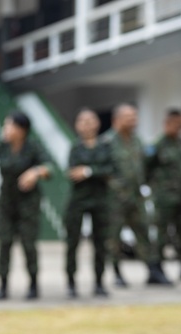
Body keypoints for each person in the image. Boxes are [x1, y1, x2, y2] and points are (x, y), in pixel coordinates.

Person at [0, 111, 52, 301]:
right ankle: (3, 285)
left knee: (28, 245)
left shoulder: (33, 147)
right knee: (4, 243)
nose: (5, 129)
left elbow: (50, 167)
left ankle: (33, 283)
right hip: (6, 203)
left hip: (28, 204)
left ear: (21, 129)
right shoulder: (2, 146)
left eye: (9, 125)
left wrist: (36, 172)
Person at [103, 103, 172, 287]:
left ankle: (153, 270)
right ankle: (117, 272)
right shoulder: (107, 143)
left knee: (144, 233)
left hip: (136, 197)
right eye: (129, 117)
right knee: (114, 237)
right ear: (117, 119)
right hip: (115, 200)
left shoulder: (137, 141)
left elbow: (146, 166)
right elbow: (103, 171)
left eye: (135, 117)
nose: (134, 120)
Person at [63, 108, 114, 298]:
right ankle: (70, 282)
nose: (86, 124)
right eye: (82, 121)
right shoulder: (75, 147)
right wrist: (96, 172)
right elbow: (71, 172)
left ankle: (99, 282)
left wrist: (89, 171)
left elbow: (112, 169)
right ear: (76, 125)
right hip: (78, 200)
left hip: (100, 200)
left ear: (98, 123)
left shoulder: (106, 146)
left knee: (101, 243)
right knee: (72, 243)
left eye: (90, 120)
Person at [146, 108, 181, 280]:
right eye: (177, 124)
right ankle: (156, 268)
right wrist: (153, 189)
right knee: (162, 233)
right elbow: (145, 168)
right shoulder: (157, 145)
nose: (180, 127)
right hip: (162, 197)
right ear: (167, 123)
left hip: (179, 195)